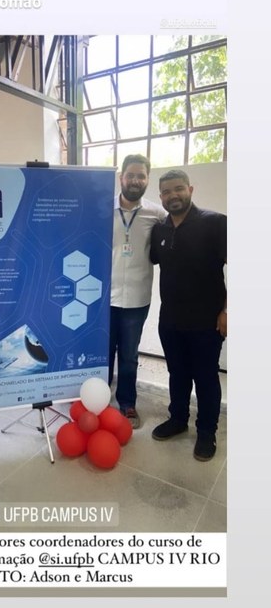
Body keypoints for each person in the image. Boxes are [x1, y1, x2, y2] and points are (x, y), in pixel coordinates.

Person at [150, 169, 227, 461]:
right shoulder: (160, 230)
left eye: (178, 189)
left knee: (206, 378)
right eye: (167, 191)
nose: (173, 195)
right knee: (177, 373)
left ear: (190, 190)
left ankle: (206, 432)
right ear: (161, 197)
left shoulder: (215, 223)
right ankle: (178, 419)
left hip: (207, 322)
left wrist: (227, 311)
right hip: (170, 320)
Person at [109, 154, 166, 428]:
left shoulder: (157, 214)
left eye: (140, 176)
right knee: (102, 354)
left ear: (147, 180)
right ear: (121, 177)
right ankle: (97, 401)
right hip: (104, 298)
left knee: (129, 355)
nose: (135, 180)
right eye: (130, 175)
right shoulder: (103, 208)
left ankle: (127, 403)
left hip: (137, 298)